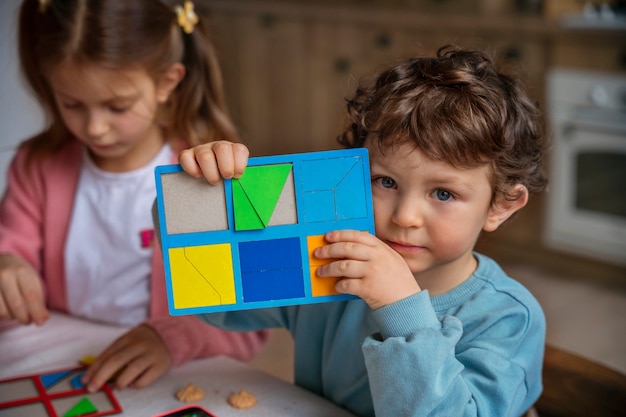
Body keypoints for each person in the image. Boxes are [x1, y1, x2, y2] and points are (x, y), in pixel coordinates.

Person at [178, 45, 548, 417]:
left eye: (443, 193)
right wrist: (198, 197)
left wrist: (400, 309)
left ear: (501, 204)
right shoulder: (328, 264)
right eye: (385, 181)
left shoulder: (508, 319)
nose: (405, 217)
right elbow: (215, 304)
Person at [0, 0, 268, 392]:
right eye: (72, 104)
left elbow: (253, 324)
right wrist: (7, 266)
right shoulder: (36, 166)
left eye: (117, 106)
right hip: (65, 361)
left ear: (167, 82)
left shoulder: (208, 176)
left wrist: (174, 339)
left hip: (169, 372)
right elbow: (12, 257)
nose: (95, 128)